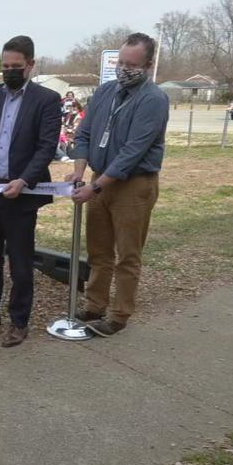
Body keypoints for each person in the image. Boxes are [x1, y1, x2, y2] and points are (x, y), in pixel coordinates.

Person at [68, 32, 168, 337]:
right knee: (98, 250)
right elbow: (83, 134)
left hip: (133, 185)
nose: (124, 69)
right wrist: (79, 171)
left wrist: (95, 188)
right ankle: (95, 304)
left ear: (148, 65)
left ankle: (119, 314)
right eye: (121, 62)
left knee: (127, 253)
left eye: (132, 64)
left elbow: (131, 153)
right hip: (99, 179)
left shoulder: (154, 100)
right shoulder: (104, 92)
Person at [0, 35, 61, 348]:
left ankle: (19, 321)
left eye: (16, 66)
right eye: (5, 66)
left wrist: (25, 181)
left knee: (20, 263)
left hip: (21, 195)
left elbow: (46, 147)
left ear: (30, 65)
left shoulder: (46, 100)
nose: (9, 71)